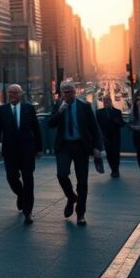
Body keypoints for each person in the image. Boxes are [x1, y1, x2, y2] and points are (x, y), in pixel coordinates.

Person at [48, 82, 104, 226]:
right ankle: (71, 197)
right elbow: (50, 123)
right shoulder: (58, 106)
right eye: (65, 92)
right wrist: (60, 110)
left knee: (82, 182)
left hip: (81, 146)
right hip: (64, 146)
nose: (68, 95)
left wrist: (97, 147)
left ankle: (81, 214)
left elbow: (95, 128)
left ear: (75, 92)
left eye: (70, 92)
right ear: (61, 93)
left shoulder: (84, 107)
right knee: (61, 174)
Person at [0, 84, 43, 224]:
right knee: (11, 178)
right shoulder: (1, 110)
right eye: (10, 92)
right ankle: (21, 195)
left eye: (16, 92)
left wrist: (39, 149)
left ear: (21, 94)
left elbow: (36, 129)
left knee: (28, 179)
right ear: (7, 94)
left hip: (27, 150)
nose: (13, 94)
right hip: (9, 151)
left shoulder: (29, 108)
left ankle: (28, 211)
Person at [96, 95, 125, 177]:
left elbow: (122, 124)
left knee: (116, 153)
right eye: (105, 101)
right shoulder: (99, 112)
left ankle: (116, 170)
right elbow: (97, 125)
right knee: (109, 154)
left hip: (116, 136)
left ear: (111, 101)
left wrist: (118, 122)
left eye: (108, 101)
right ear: (103, 102)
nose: (107, 102)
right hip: (105, 137)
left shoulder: (117, 111)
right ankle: (113, 169)